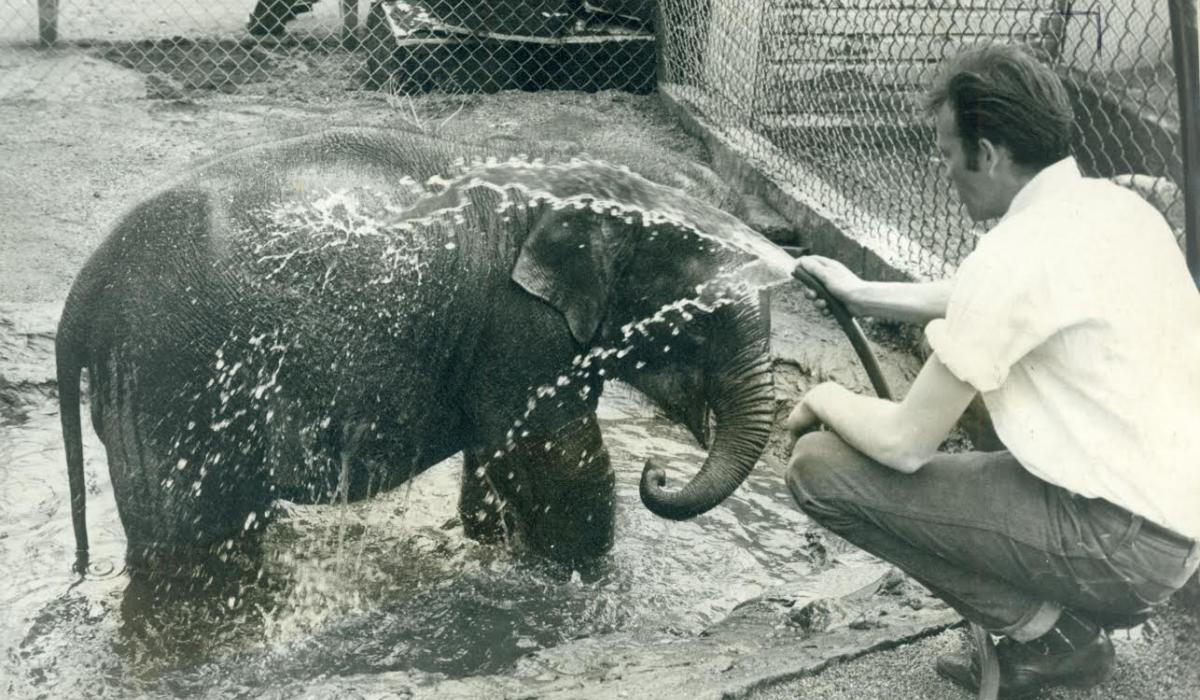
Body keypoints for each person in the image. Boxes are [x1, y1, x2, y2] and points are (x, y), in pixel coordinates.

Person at [784, 43, 1200, 697]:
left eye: (949, 153)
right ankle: (1061, 619)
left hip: (1116, 551)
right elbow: (989, 298)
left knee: (818, 467)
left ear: (988, 154)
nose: (946, 170)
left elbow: (905, 444)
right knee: (976, 406)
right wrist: (862, 294)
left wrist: (825, 395)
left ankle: (1051, 635)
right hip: (1173, 537)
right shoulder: (1118, 210)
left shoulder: (1012, 255)